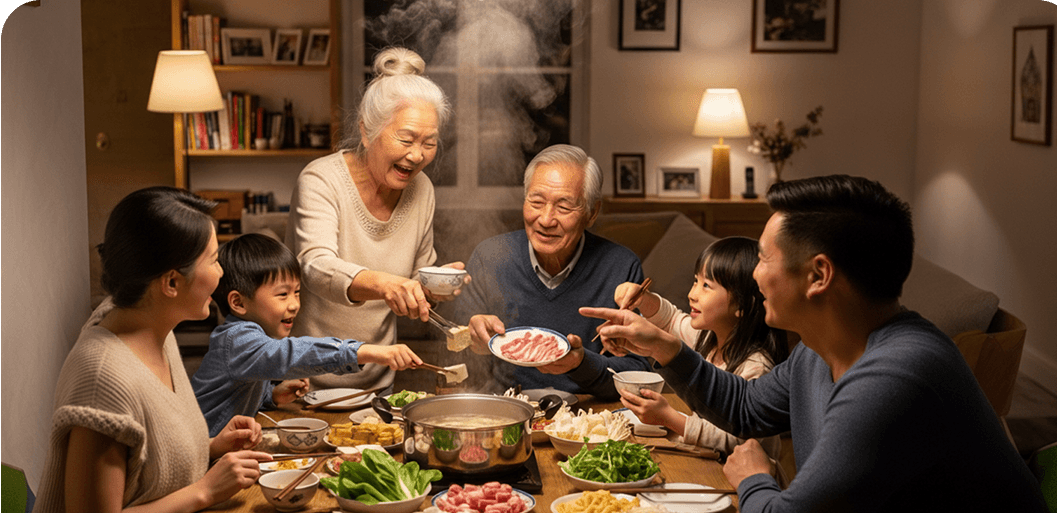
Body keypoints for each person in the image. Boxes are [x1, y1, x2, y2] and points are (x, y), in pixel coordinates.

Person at [581, 175, 1057, 513]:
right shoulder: (821, 349)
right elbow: (748, 408)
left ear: (818, 276)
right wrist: (665, 346)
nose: (756, 276)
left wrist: (755, 478)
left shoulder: (897, 375)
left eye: (765, 260)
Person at [9, 187, 273, 513]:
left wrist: (212, 447)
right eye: (214, 260)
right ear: (170, 282)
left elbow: (140, 464)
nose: (220, 274)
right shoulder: (103, 376)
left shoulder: (151, 326)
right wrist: (203, 491)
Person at [286, 47, 465, 391]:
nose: (417, 155)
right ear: (367, 131)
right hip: (304, 382)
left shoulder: (421, 189)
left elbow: (413, 281)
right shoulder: (321, 180)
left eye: (430, 142)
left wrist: (432, 286)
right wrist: (386, 285)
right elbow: (316, 267)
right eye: (406, 139)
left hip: (378, 382)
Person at [455, 144, 651, 399]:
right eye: (536, 202)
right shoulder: (490, 256)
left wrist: (581, 364)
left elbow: (640, 373)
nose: (546, 220)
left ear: (592, 213)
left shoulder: (620, 266)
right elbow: (455, 351)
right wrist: (473, 342)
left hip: (590, 417)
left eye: (564, 207)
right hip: (507, 410)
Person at [191, 233, 423, 436]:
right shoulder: (238, 339)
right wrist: (367, 351)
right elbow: (289, 354)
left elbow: (235, 397)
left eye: (297, 292)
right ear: (238, 302)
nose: (294, 305)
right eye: (282, 294)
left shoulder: (253, 336)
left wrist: (273, 396)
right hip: (204, 454)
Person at [614, 237, 788, 464]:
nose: (692, 294)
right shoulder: (705, 337)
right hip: (706, 462)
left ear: (741, 306)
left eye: (706, 285)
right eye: (696, 281)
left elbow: (738, 439)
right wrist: (641, 299)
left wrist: (670, 418)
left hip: (746, 480)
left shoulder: (756, 366)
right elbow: (670, 320)